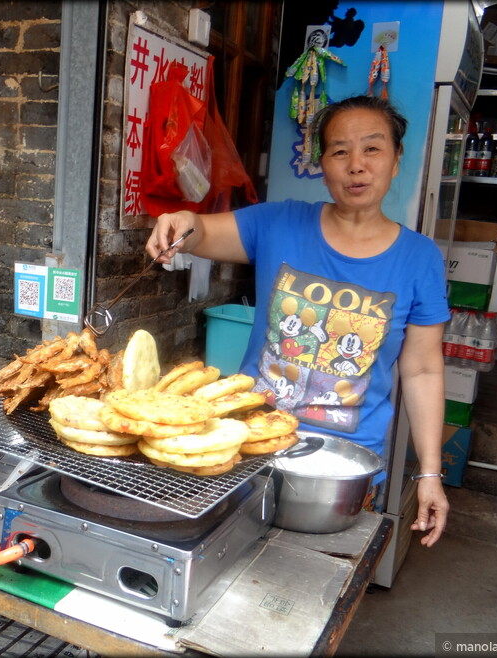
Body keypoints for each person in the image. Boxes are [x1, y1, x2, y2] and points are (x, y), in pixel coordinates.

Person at [146, 95, 450, 547]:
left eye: (372, 148)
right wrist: (184, 221)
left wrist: (429, 472)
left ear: (396, 157)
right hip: (248, 448)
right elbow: (204, 231)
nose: (357, 166)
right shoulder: (279, 223)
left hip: (344, 467)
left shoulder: (420, 258)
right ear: (322, 163)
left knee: (317, 587)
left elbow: (423, 369)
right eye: (340, 151)